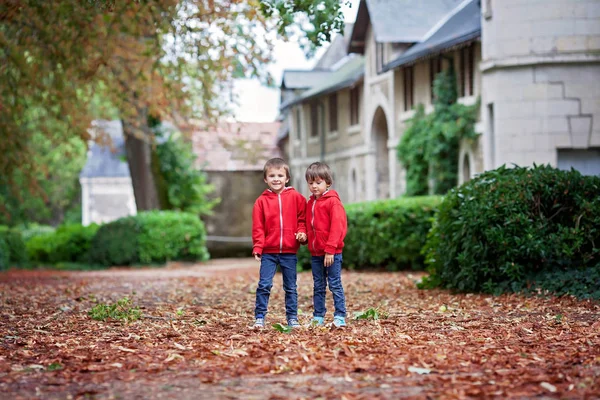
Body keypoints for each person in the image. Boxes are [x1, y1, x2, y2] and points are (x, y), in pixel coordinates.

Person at [251, 158, 307, 329]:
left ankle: (292, 318)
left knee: (290, 287)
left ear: (287, 178)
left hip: (289, 252)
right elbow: (258, 227)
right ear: (265, 179)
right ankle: (259, 317)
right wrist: (258, 246)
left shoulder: (297, 198)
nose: (276, 179)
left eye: (280, 175)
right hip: (268, 252)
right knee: (264, 284)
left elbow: (302, 220)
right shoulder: (261, 202)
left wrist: (302, 233)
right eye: (272, 175)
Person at [304, 162, 347, 328]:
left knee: (335, 284)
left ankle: (340, 316)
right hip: (316, 254)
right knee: (318, 286)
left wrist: (330, 250)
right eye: (311, 183)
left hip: (332, 253)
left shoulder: (333, 202)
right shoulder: (311, 203)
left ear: (328, 183)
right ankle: (318, 316)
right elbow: (310, 226)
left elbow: (338, 228)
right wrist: (305, 238)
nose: (314, 186)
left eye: (318, 182)